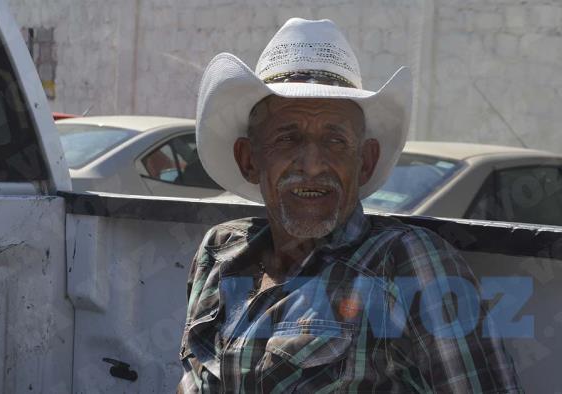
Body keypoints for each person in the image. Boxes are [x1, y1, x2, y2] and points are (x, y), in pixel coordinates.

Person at [178, 18, 522, 393]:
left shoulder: (406, 263)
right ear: (249, 159)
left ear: (365, 162)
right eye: (287, 138)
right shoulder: (219, 253)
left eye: (335, 141)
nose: (312, 164)